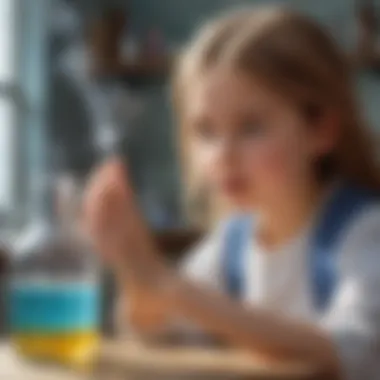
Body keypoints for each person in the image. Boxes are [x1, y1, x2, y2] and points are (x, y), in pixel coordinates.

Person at [83, 6, 380, 379]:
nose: (223, 155)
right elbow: (163, 335)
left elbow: (343, 351)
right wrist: (133, 271)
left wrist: (169, 286)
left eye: (251, 127)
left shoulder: (365, 233)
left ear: (321, 130)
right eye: (206, 131)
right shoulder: (232, 244)